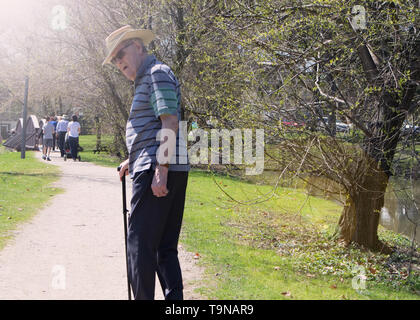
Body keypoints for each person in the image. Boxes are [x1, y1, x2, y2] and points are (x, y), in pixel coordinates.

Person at [103, 25, 189, 300]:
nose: (119, 62)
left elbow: (170, 121)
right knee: (164, 247)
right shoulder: (148, 77)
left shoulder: (155, 73)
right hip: (157, 164)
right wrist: (134, 157)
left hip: (157, 168)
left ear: (138, 47)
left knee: (139, 245)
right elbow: (154, 125)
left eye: (121, 53)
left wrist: (160, 169)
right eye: (115, 59)